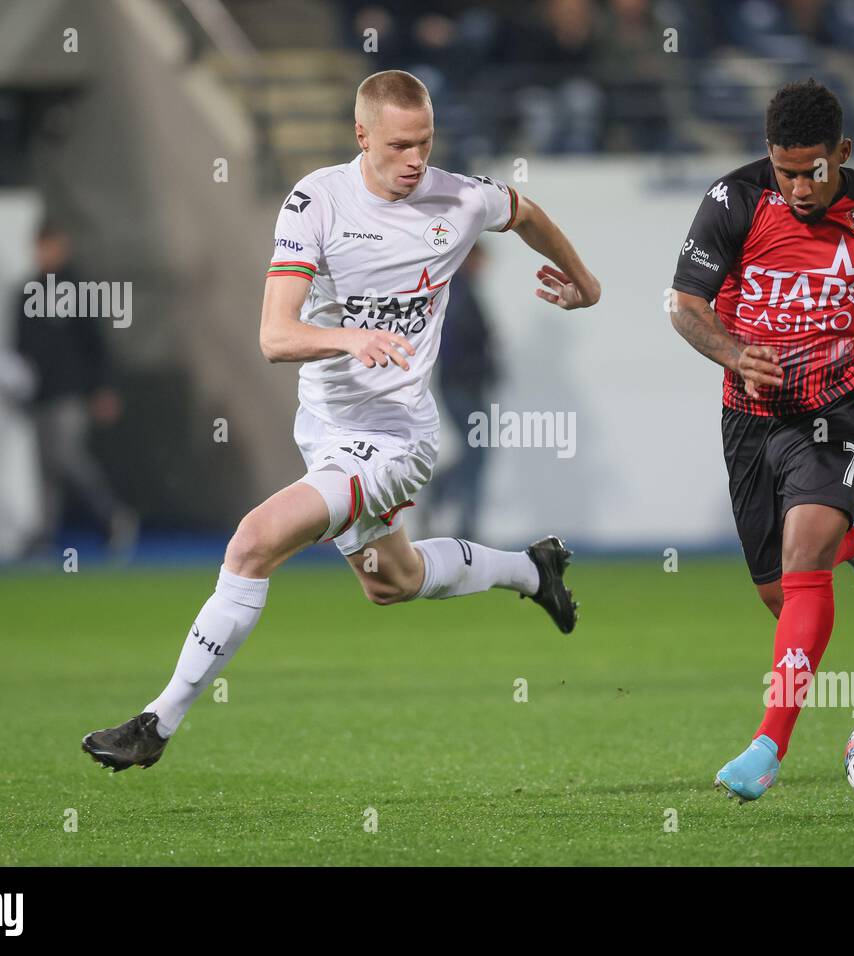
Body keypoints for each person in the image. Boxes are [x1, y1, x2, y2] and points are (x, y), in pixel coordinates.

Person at [82, 70, 601, 772]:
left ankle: (157, 722)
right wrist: (349, 337)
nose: (416, 159)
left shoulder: (460, 198)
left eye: (425, 142)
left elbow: (526, 212)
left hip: (395, 440)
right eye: (398, 145)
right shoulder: (316, 201)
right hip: (324, 428)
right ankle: (531, 570)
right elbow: (275, 336)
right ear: (362, 136)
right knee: (393, 580)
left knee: (252, 541)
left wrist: (585, 282)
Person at [669, 80, 854, 801]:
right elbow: (685, 307)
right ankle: (852, 537)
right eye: (786, 170)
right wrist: (731, 351)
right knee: (781, 595)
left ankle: (766, 749)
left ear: (843, 152)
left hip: (836, 408)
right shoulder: (732, 201)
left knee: (802, 558)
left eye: (814, 169)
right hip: (749, 414)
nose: (801, 186)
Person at [13, 222, 136, 557]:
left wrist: (103, 388)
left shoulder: (79, 289)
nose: (47, 253)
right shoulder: (27, 291)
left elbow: (96, 344)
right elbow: (19, 347)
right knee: (45, 467)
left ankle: (113, 517)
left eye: (52, 246)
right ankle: (46, 533)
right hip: (39, 393)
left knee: (67, 458)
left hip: (71, 392)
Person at [426, 244, 498, 538]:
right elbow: (452, 343)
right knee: (476, 455)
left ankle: (450, 504)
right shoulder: (459, 292)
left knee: (475, 454)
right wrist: (473, 371)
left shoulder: (462, 290)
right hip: (463, 387)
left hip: (464, 385)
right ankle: (463, 521)